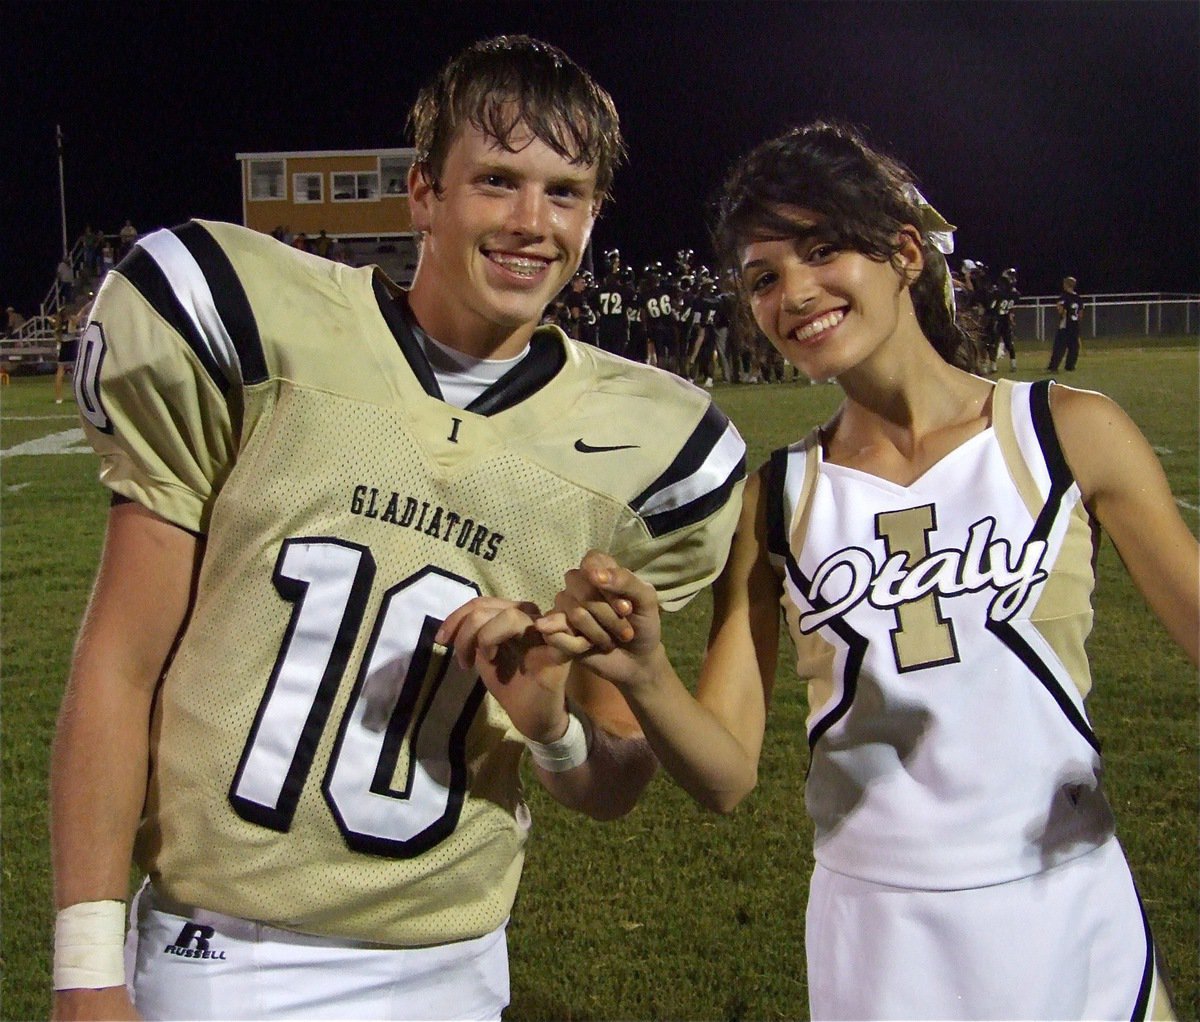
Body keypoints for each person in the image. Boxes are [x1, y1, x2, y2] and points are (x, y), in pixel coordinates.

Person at [50, 35, 746, 1021]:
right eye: (496, 180)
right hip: (223, 958)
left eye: (563, 191)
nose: (528, 222)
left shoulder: (650, 449)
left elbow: (614, 782)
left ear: (594, 216)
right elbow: (119, 665)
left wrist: (549, 725)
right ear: (423, 192)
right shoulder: (260, 332)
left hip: (454, 966)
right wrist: (85, 969)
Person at [539, 122, 1193, 1020]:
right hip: (880, 937)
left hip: (1067, 908)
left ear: (904, 252)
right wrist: (647, 675)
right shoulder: (775, 500)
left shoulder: (1063, 432)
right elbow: (726, 777)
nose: (795, 293)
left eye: (822, 250)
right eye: (764, 277)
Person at [1048, 274, 1084, 371]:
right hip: (1075, 325)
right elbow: (1080, 314)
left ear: (1066, 284)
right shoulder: (1078, 298)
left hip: (1065, 325)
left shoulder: (1064, 297)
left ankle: (1053, 366)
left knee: (1059, 347)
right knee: (1073, 348)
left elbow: (1061, 311)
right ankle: (1070, 366)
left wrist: (1059, 308)